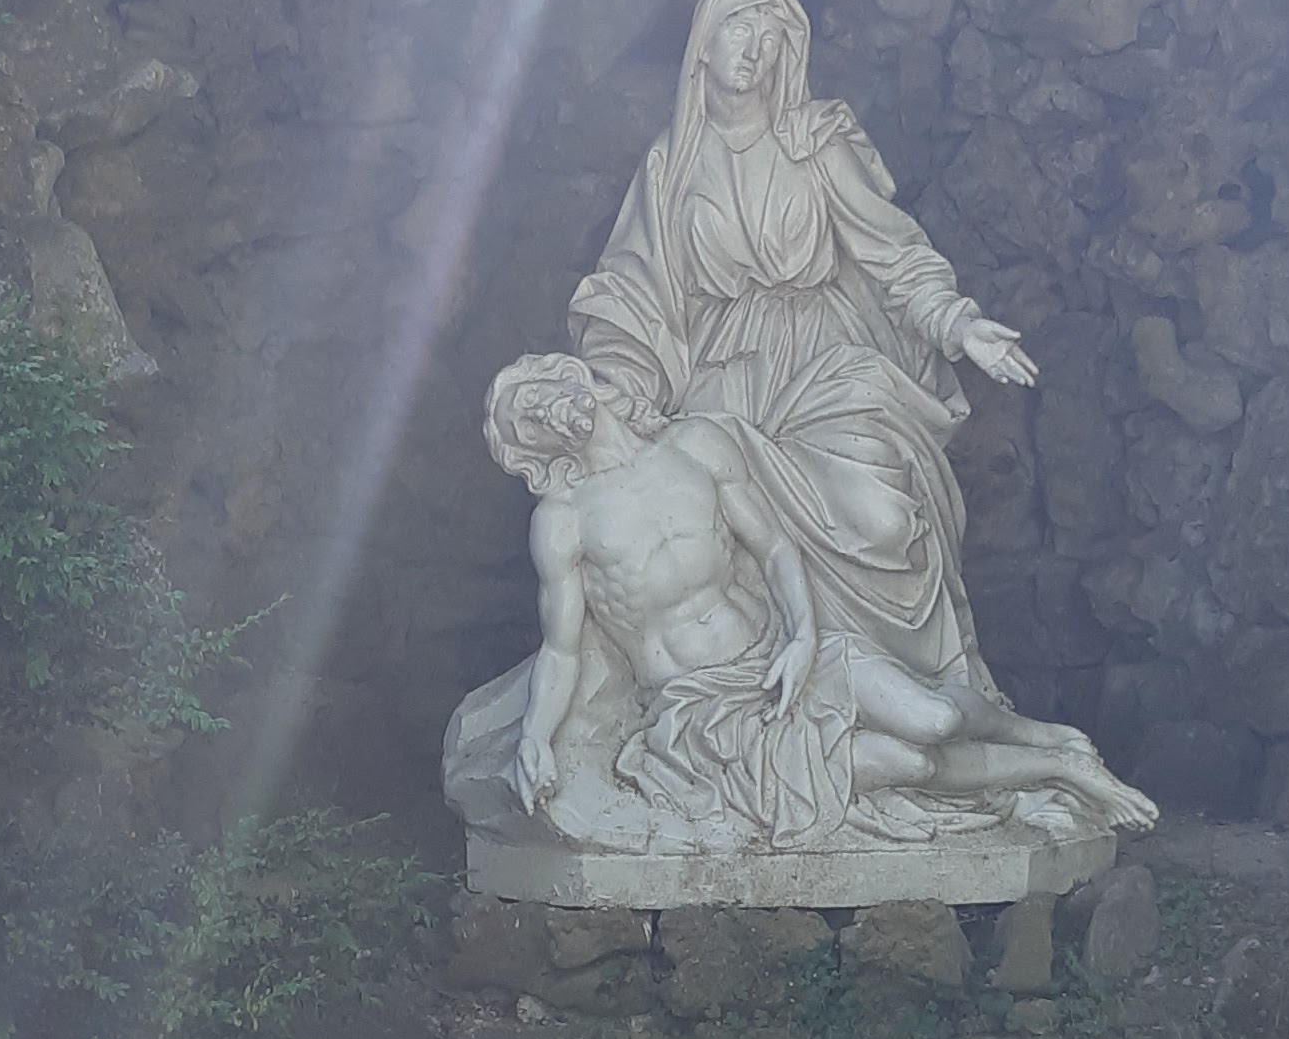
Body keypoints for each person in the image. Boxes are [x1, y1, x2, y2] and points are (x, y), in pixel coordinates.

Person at [566, 0, 1039, 736]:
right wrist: (620, 384)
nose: (753, 49)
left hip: (826, 362)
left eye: (770, 35)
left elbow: (891, 252)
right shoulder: (670, 166)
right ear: (703, 44)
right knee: (714, 524)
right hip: (722, 380)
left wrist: (958, 323)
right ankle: (789, 711)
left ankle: (923, 697)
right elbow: (637, 289)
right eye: (738, 29)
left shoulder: (815, 142)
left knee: (882, 520)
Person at [480, 354, 1149, 851]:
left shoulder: (696, 446)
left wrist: (802, 638)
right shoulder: (564, 520)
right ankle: (1063, 771)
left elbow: (774, 548)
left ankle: (1048, 740)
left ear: (569, 377)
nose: (541, 412)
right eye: (526, 421)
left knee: (937, 718)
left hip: (780, 656)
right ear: (534, 448)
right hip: (706, 711)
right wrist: (535, 736)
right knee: (909, 764)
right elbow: (563, 649)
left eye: (536, 394)